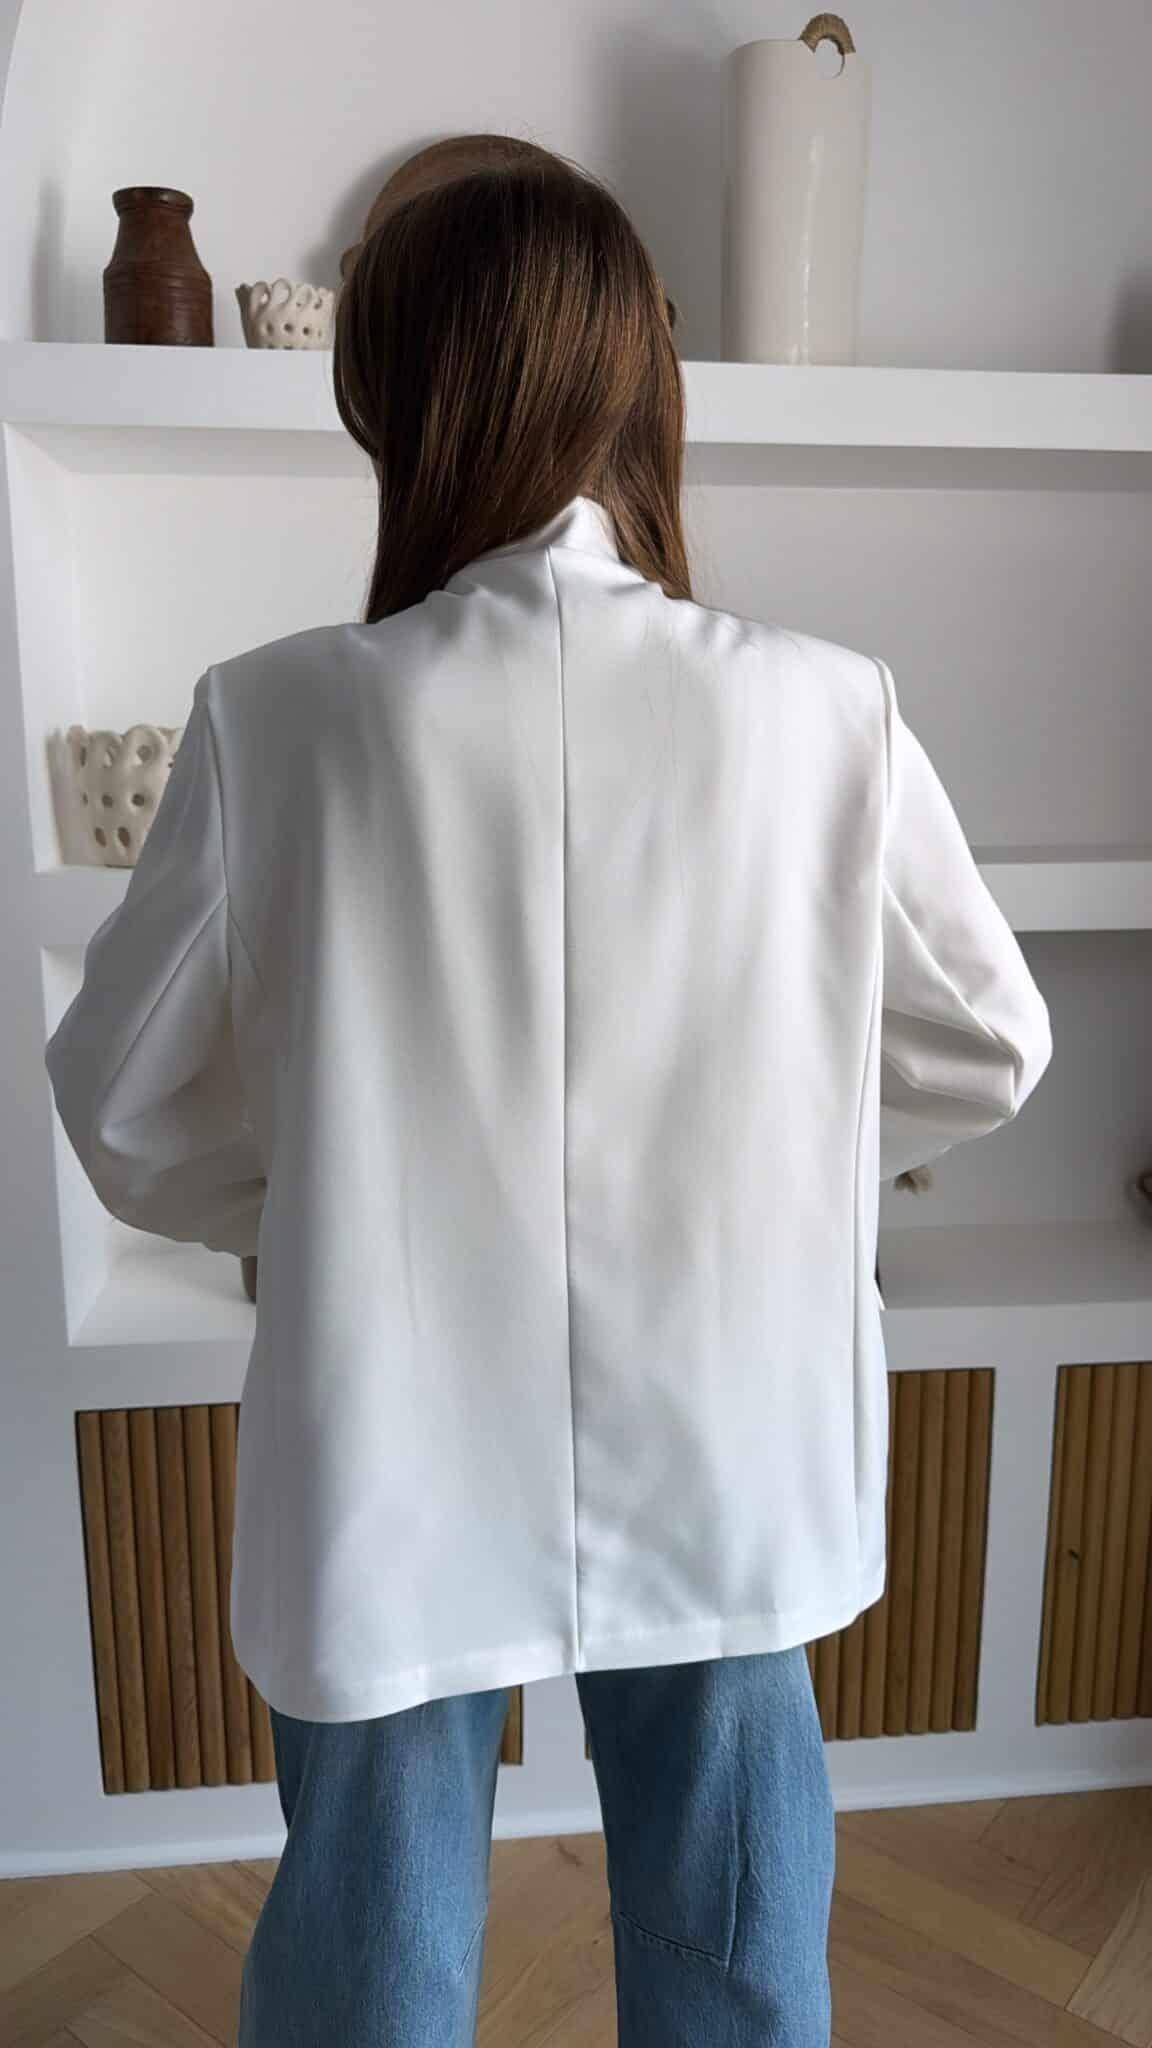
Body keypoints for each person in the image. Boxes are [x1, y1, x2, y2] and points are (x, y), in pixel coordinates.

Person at [44, 147, 1053, 2048]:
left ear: (394, 400)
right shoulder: (824, 705)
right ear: (638, 382)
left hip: (390, 1417)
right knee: (738, 1962)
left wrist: (329, 1197)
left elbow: (120, 1100)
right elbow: (987, 1043)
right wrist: (783, 1152)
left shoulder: (282, 714)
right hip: (729, 1406)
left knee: (369, 1958)